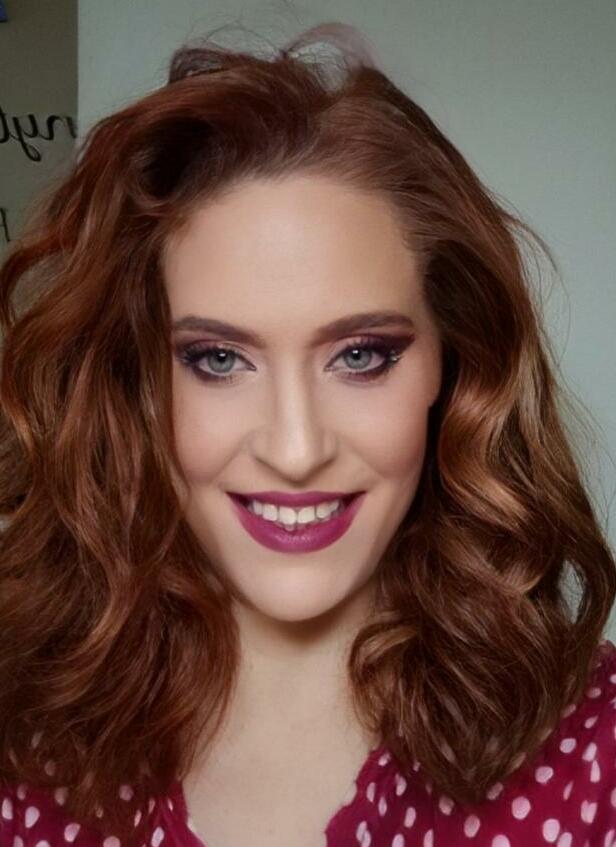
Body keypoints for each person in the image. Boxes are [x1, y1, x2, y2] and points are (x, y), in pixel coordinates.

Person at [1, 19, 615, 847]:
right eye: (218, 359)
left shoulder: (595, 756)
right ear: (136, 379)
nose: (296, 451)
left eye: (360, 355)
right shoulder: (24, 746)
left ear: (455, 364)